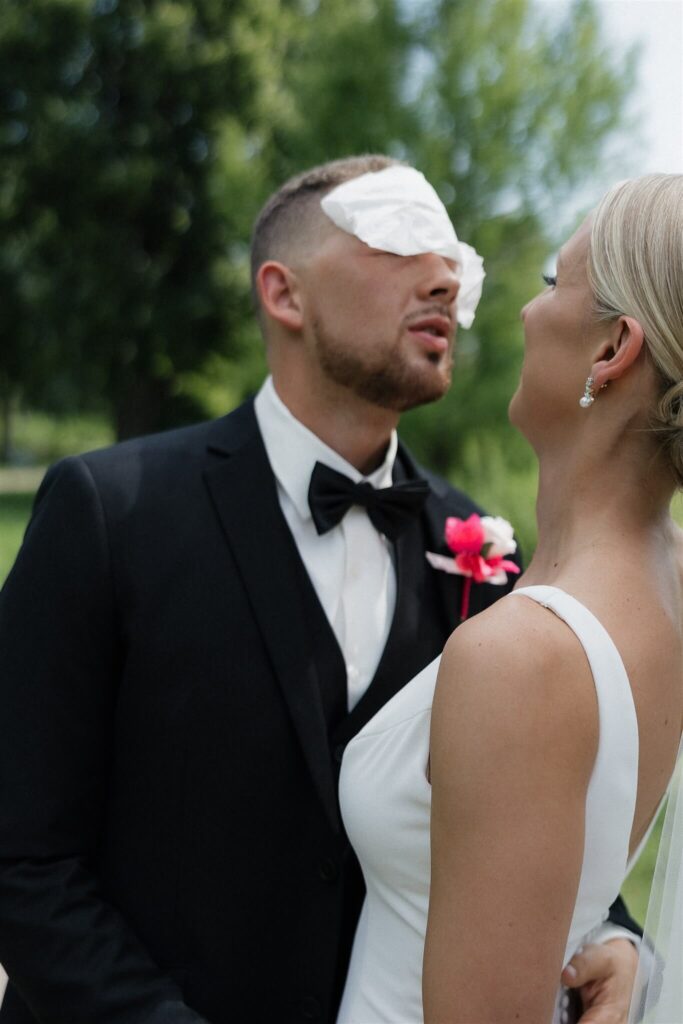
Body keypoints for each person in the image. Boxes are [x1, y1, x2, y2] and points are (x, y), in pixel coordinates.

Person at [0, 155, 640, 1024]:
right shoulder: (107, 512)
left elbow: (543, 804)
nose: (446, 276)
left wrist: (616, 936)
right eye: (397, 240)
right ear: (284, 294)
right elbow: (23, 857)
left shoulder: (483, 551)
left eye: (452, 253)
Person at [336, 172, 683, 1024]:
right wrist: (618, 945)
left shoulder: (521, 657)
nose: (525, 312)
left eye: (552, 283)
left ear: (611, 351)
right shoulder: (666, 585)